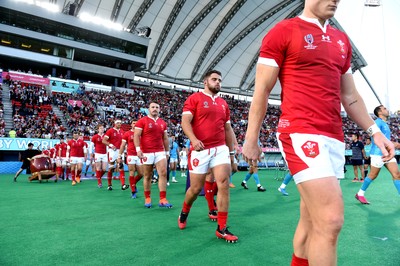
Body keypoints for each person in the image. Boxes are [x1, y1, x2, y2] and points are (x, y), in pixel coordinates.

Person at [241, 1, 394, 264]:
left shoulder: (340, 40)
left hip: (333, 137)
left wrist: (374, 132)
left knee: (310, 218)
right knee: (331, 219)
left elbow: (350, 96)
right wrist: (251, 138)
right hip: (300, 131)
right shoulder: (283, 31)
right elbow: (262, 90)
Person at [177, 70, 238, 243]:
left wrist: (232, 154)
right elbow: (185, 122)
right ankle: (184, 212)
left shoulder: (223, 104)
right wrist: (194, 139)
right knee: (195, 190)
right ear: (205, 81)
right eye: (214, 79)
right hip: (200, 150)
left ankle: (222, 228)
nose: (218, 82)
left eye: (220, 80)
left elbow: (228, 129)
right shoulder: (194, 98)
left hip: (220, 149)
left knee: (224, 184)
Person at [355, 105, 400, 204]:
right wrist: (394, 144)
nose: (387, 110)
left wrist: (392, 144)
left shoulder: (384, 124)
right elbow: (376, 139)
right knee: (373, 175)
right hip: (377, 153)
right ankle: (360, 194)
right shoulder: (377, 123)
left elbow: (385, 140)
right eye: (384, 109)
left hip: (387, 153)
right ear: (379, 112)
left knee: (397, 174)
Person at [134, 102, 172, 208]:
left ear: (159, 109)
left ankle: (163, 199)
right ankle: (147, 198)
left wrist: (167, 152)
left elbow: (165, 138)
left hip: (160, 151)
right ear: (149, 109)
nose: (155, 109)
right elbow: (136, 136)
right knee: (147, 175)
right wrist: (138, 149)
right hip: (147, 152)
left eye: (157, 107)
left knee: (163, 173)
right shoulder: (142, 121)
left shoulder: (162, 123)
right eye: (153, 107)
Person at [119, 120, 143, 198]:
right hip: (131, 155)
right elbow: (122, 145)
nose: (135, 124)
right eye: (133, 123)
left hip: (139, 155)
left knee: (141, 174)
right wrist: (119, 155)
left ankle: (133, 183)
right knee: (131, 173)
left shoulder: (141, 133)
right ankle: (133, 191)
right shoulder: (127, 134)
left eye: (136, 123)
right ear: (131, 125)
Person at [103, 119, 129, 191]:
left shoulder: (122, 132)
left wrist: (126, 150)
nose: (119, 124)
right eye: (118, 123)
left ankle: (123, 184)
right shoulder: (110, 131)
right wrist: (111, 145)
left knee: (121, 166)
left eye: (120, 123)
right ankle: (109, 185)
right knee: (111, 168)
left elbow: (124, 142)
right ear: (115, 124)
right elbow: (104, 140)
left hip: (120, 151)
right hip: (112, 151)